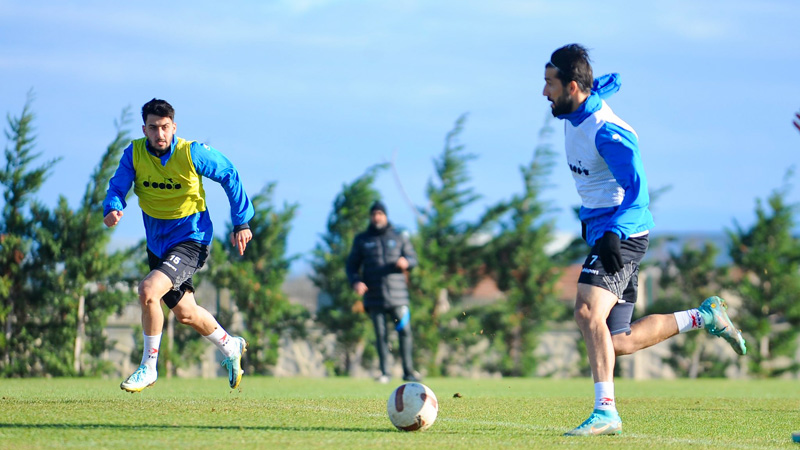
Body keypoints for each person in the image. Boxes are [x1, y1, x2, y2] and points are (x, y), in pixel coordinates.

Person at [542, 44, 747, 436]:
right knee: (616, 341)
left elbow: (638, 194)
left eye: (550, 83)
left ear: (572, 87)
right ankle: (705, 316)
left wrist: (614, 234)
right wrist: (609, 82)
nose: (544, 92)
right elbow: (600, 86)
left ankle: (606, 412)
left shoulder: (608, 133)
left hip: (622, 234)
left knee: (586, 312)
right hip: (606, 234)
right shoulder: (575, 106)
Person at [103, 98, 254, 393]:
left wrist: (241, 222)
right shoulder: (134, 154)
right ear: (144, 129)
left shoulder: (192, 153)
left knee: (148, 291)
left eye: (165, 127)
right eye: (153, 128)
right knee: (186, 313)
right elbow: (118, 186)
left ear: (174, 127)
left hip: (191, 238)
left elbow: (229, 174)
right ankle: (230, 346)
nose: (159, 134)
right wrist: (113, 206)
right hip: (158, 244)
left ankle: (148, 367)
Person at [346, 201, 420, 383]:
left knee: (405, 331)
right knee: (380, 335)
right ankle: (385, 372)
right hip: (374, 296)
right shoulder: (362, 240)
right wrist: (356, 281)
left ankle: (409, 372)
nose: (377, 217)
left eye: (380, 214)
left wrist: (407, 262)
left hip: (398, 296)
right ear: (370, 217)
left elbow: (413, 258)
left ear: (385, 216)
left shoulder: (399, 237)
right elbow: (351, 266)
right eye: (374, 214)